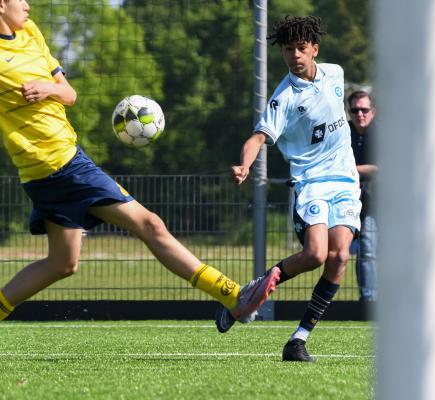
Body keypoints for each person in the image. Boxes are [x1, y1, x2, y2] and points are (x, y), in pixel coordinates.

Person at [0, 0, 280, 323]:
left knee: (62, 263)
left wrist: (46, 88)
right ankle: (233, 294)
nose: (27, 3)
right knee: (150, 224)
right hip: (60, 165)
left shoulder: (30, 32)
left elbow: (70, 94)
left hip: (50, 167)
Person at [214, 15, 362, 362]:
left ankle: (298, 340)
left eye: (300, 48)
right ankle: (256, 287)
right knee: (315, 255)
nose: (294, 55)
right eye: (287, 49)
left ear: (314, 49)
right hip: (311, 183)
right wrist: (245, 164)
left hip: (345, 179)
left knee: (339, 256)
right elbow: (258, 137)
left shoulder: (336, 73)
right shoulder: (284, 98)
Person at [348, 90, 378, 302]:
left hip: (387, 203)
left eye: (364, 109)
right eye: (355, 110)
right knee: (365, 251)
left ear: (373, 112)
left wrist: (350, 170)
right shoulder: (343, 133)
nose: (360, 114)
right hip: (355, 202)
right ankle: (368, 299)